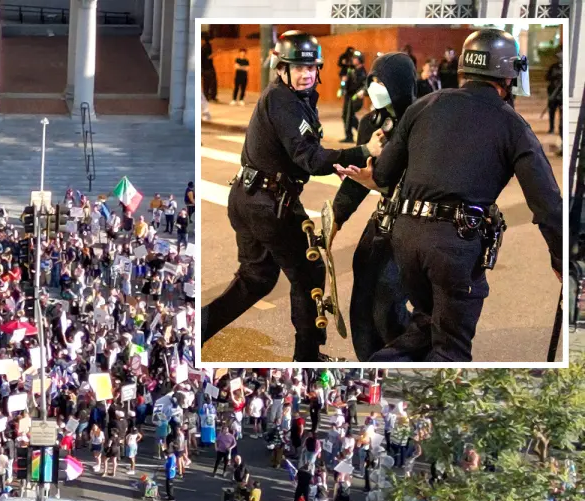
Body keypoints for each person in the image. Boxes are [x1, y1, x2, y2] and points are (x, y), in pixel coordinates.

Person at [350, 28, 562, 362]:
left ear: (464, 67)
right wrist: (562, 259)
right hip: (454, 247)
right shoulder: (512, 124)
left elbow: (384, 173)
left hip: (405, 240)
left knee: (424, 325)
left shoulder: (423, 106)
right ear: (509, 76)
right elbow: (547, 203)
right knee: (450, 351)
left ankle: (379, 366)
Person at [201, 30, 375, 361]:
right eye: (298, 67)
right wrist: (364, 150)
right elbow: (308, 157)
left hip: (253, 197)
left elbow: (308, 155)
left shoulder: (294, 99)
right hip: (267, 204)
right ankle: (307, 358)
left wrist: (337, 163)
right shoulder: (282, 100)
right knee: (308, 273)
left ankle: (197, 331)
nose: (306, 73)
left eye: (311, 67)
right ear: (282, 68)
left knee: (257, 279)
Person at [328, 52, 416, 360]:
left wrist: (376, 181)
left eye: (383, 82)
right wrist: (335, 221)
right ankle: (368, 356)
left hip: (411, 223)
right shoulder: (371, 123)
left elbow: (417, 180)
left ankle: (404, 354)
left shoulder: (419, 121)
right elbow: (357, 180)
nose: (376, 87)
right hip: (382, 220)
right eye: (373, 81)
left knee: (387, 299)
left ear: (401, 85)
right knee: (362, 293)